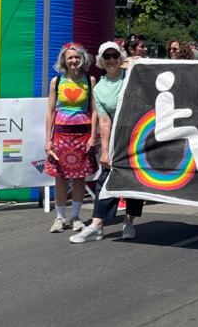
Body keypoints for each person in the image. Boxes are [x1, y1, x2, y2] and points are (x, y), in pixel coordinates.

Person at [70, 43, 145, 243]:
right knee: (105, 179)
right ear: (100, 60)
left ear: (121, 57)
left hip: (138, 135)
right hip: (116, 139)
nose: (111, 60)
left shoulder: (133, 76)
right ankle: (96, 226)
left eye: (115, 56)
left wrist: (141, 62)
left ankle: (129, 221)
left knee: (134, 180)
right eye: (107, 56)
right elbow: (104, 121)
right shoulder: (99, 89)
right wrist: (104, 151)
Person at [44, 43, 99, 233]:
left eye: (77, 57)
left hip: (83, 135)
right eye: (70, 57)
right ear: (64, 61)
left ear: (82, 58)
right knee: (60, 178)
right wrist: (48, 139)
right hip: (60, 134)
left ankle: (75, 217)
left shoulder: (90, 80)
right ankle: (59, 218)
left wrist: (93, 136)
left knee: (79, 178)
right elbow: (51, 111)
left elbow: (94, 110)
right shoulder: (57, 81)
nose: (74, 60)